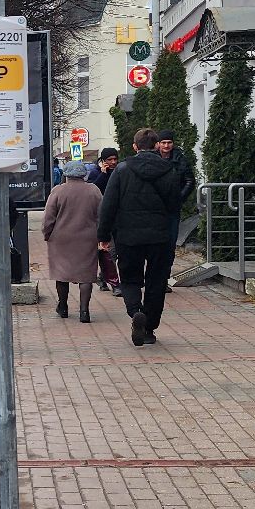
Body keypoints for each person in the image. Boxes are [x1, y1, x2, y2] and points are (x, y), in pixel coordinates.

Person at [97, 129, 189, 346]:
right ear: (157, 145)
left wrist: (103, 235)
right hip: (160, 236)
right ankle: (149, 328)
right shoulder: (169, 170)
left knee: (129, 278)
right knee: (157, 282)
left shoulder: (121, 170)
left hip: (128, 235)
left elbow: (108, 205)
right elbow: (175, 204)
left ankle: (135, 311)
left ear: (135, 146)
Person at [40, 160, 104, 323]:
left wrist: (47, 233)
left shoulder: (58, 191)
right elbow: (101, 215)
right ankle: (84, 311)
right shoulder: (94, 191)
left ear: (66, 174)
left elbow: (49, 217)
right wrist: (102, 235)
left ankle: (63, 306)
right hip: (87, 238)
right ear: (84, 174)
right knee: (86, 275)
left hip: (61, 239)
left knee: (62, 274)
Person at [91, 148, 122, 292]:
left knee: (113, 250)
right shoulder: (96, 173)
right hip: (102, 216)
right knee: (110, 250)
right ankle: (114, 283)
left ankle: (103, 277)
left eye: (115, 159)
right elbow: (94, 189)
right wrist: (103, 174)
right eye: (110, 159)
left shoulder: (120, 171)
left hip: (119, 216)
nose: (113, 162)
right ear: (103, 161)